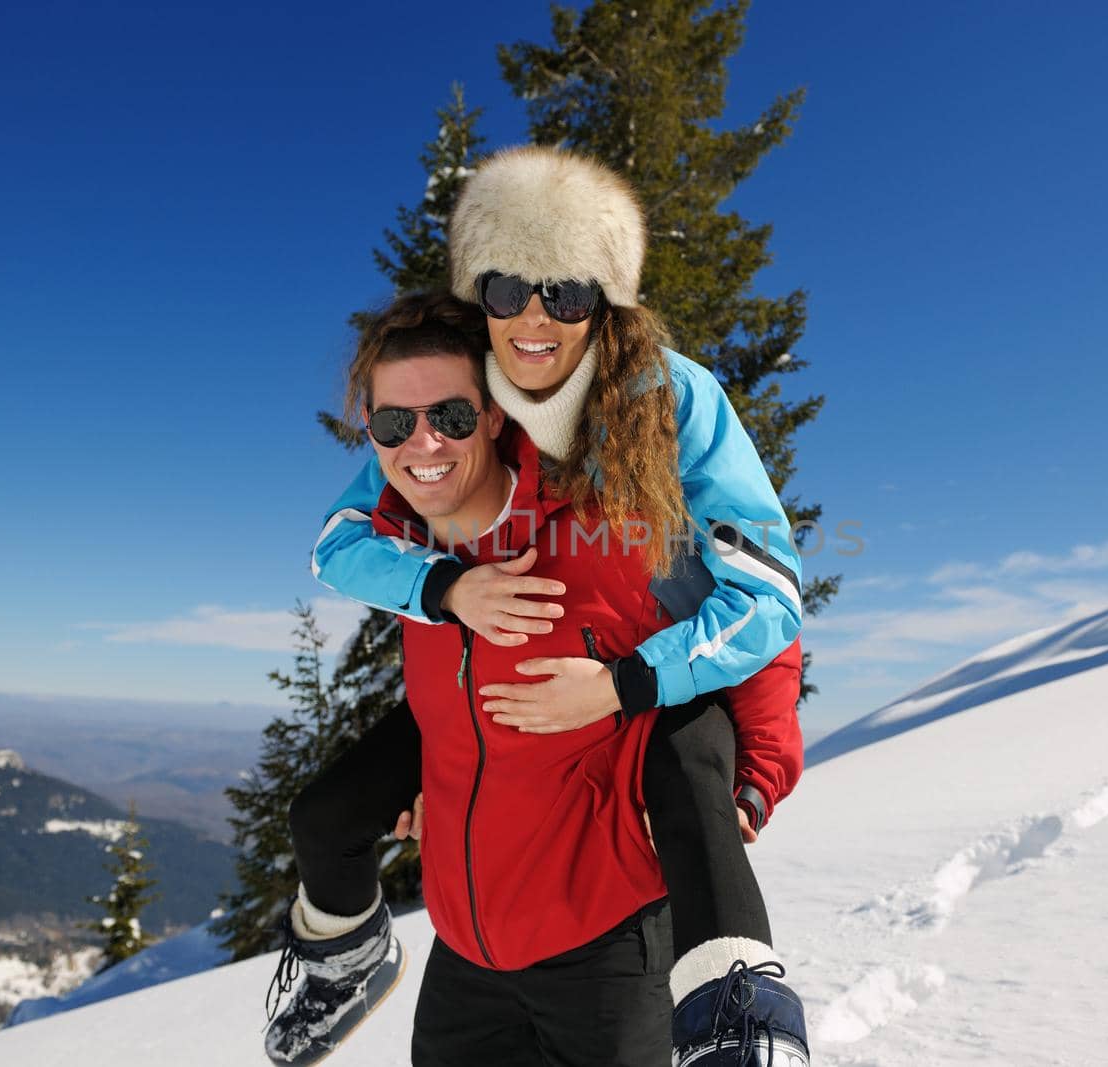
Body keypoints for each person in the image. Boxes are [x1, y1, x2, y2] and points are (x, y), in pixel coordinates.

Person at [308, 147, 812, 1066]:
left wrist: (630, 692)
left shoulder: (668, 403)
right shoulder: (451, 413)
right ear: (479, 300)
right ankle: (337, 950)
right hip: (470, 938)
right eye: (506, 291)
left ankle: (740, 1012)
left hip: (608, 927)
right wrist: (446, 588)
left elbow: (768, 594)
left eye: (567, 293)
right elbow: (345, 538)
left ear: (603, 302)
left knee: (681, 734)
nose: (534, 316)